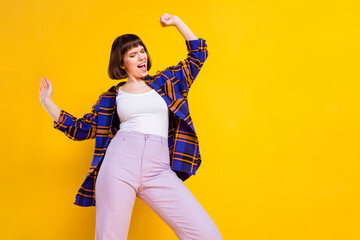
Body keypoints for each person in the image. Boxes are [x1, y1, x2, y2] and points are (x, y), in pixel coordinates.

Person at [39, 13, 222, 240]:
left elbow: (198, 55)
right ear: (121, 63)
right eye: (133, 54)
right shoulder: (111, 97)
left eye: (142, 51)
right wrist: (48, 103)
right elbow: (81, 129)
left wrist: (177, 23)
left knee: (206, 234)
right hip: (119, 164)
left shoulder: (166, 82)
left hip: (159, 168)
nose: (140, 57)